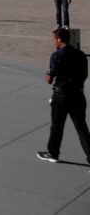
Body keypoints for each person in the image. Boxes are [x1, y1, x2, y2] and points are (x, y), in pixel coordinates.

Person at [37, 27, 90, 165]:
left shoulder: (57, 55)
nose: (54, 42)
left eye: (54, 40)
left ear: (59, 39)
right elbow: (84, 76)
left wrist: (50, 75)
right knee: (81, 127)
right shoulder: (81, 55)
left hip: (61, 94)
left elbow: (49, 80)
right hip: (77, 94)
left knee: (57, 125)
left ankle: (53, 152)